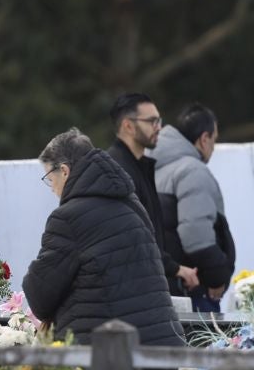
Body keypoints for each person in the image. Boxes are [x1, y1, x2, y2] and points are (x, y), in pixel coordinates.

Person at [22, 129, 182, 350]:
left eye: (50, 179)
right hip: (162, 345)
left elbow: (40, 296)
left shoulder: (68, 217)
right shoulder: (132, 204)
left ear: (65, 171)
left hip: (107, 354)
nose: (52, 189)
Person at [107, 92, 199, 296]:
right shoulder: (118, 170)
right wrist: (175, 268)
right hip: (130, 292)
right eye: (152, 121)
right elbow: (133, 238)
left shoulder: (139, 166)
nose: (159, 127)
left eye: (159, 120)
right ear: (128, 126)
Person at [154, 103, 236, 313]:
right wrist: (217, 277)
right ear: (204, 138)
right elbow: (196, 236)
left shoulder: (154, 167)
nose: (213, 147)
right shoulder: (192, 171)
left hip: (164, 287)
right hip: (194, 293)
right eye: (214, 140)